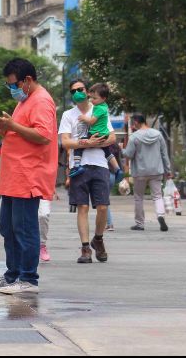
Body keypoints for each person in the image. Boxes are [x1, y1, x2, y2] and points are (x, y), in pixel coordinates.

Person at [0, 58, 57, 295]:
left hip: (29, 175)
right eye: (9, 85)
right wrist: (5, 128)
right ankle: (13, 275)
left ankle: (28, 278)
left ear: (27, 80)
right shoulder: (25, 101)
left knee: (25, 228)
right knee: (8, 226)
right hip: (14, 177)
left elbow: (43, 135)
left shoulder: (41, 100)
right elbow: (22, 133)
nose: (12, 89)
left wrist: (13, 126)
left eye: (14, 84)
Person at [59, 79, 115, 265]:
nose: (78, 93)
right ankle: (85, 248)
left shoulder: (99, 109)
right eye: (73, 91)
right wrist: (85, 143)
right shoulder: (68, 115)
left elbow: (112, 137)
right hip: (79, 167)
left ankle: (98, 239)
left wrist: (95, 143)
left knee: (103, 207)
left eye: (80, 89)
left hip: (100, 164)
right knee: (82, 207)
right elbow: (65, 142)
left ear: (88, 91)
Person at [123, 114, 172, 230]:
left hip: (140, 172)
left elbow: (128, 154)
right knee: (157, 196)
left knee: (139, 197)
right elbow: (164, 154)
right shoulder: (158, 134)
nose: (133, 126)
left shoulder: (134, 137)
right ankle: (160, 215)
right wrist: (168, 170)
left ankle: (140, 224)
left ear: (136, 122)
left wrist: (122, 149)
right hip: (156, 171)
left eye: (133, 123)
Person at [69, 83, 123, 182]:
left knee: (79, 144)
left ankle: (77, 166)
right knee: (107, 152)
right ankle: (117, 169)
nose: (92, 100)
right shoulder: (104, 106)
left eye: (95, 98)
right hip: (104, 134)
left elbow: (91, 121)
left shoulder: (99, 108)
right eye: (91, 98)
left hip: (95, 134)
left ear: (104, 98)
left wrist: (84, 118)